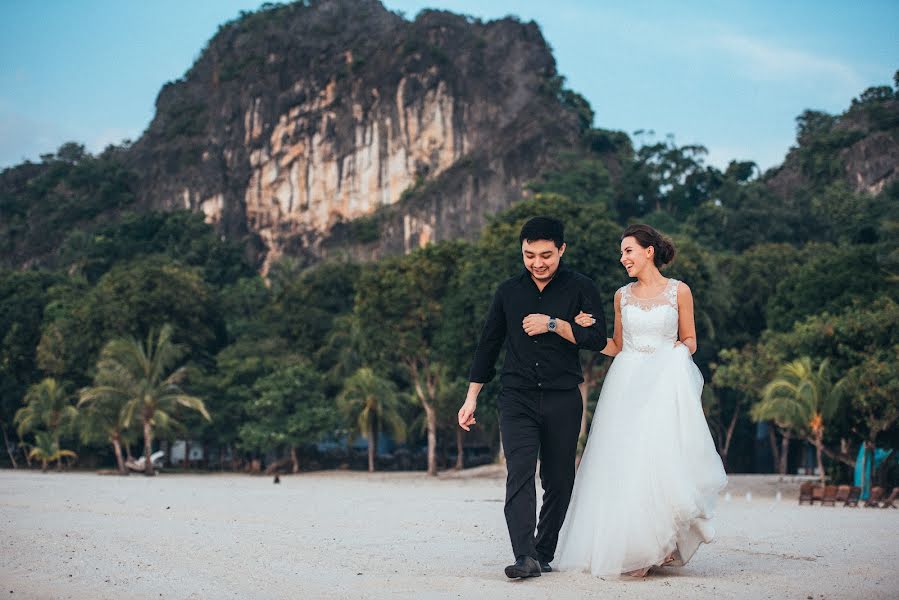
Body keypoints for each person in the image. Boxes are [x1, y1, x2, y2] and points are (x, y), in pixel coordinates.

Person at [555, 224, 727, 577]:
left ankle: (660, 545)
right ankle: (632, 547)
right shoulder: (622, 296)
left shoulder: (680, 291)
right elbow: (616, 345)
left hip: (664, 380)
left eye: (628, 251)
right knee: (625, 462)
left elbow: (690, 339)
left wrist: (678, 355)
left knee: (660, 459)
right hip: (627, 382)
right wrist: (580, 332)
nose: (623, 259)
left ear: (649, 251)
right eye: (622, 253)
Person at [457, 216, 607, 579]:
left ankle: (543, 550)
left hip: (563, 397)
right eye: (529, 255)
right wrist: (471, 397)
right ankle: (524, 555)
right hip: (517, 397)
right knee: (519, 473)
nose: (537, 263)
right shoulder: (508, 291)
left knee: (558, 479)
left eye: (545, 255)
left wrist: (554, 323)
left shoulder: (581, 287)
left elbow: (598, 339)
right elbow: (488, 345)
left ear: (561, 250)